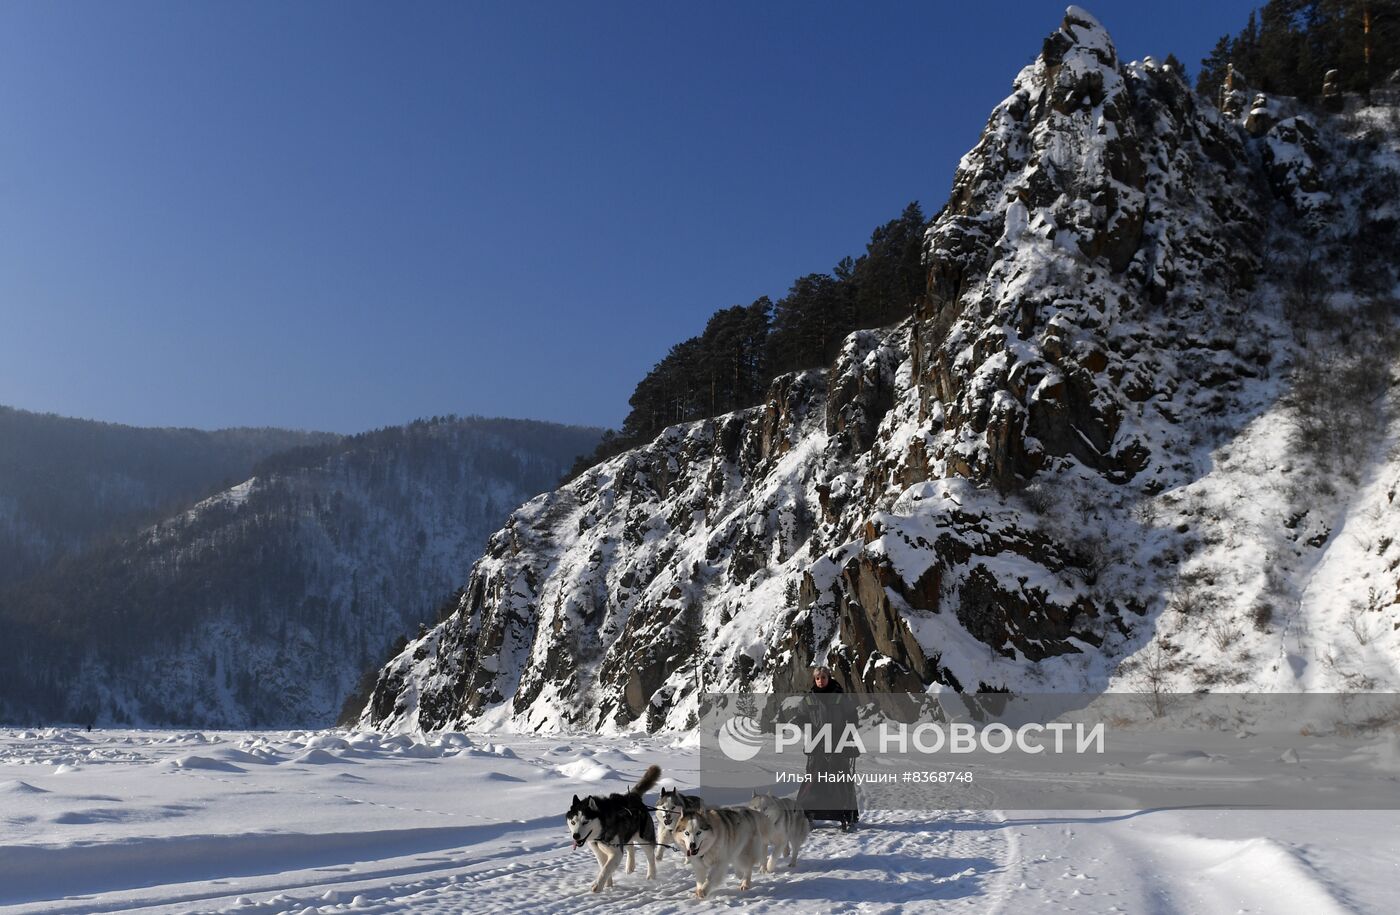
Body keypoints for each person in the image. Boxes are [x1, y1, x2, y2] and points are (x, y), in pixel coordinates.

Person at [795, 665, 860, 831]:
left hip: (838, 741)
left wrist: (849, 733)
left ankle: (847, 813)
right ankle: (807, 812)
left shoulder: (839, 696)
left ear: (829, 678)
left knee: (841, 776)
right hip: (816, 744)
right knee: (813, 777)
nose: (820, 681)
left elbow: (852, 715)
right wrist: (810, 729)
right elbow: (800, 718)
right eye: (817, 678)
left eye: (823, 677)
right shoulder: (809, 699)